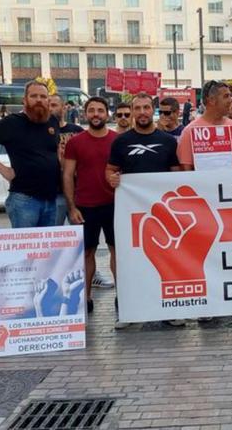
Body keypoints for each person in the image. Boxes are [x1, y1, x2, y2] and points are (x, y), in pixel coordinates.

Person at [106, 93, 182, 329]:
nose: (141, 112)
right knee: (131, 262)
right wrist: (112, 180)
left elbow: (176, 174)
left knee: (165, 261)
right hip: (132, 214)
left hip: (161, 213)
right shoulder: (121, 142)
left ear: (153, 110)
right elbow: (110, 171)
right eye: (137, 108)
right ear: (132, 111)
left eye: (146, 108)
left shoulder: (168, 141)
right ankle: (128, 311)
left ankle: (169, 310)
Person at [0, 80, 61, 227]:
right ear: (24, 100)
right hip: (25, 200)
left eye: (43, 96)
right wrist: (4, 170)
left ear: (48, 100)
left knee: (48, 249)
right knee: (25, 248)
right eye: (34, 96)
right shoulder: (11, 123)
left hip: (51, 199)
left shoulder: (52, 121)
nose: (39, 100)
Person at [63, 97, 118, 314]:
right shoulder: (75, 142)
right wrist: (72, 207)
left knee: (117, 252)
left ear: (107, 114)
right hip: (85, 206)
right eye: (92, 110)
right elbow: (67, 175)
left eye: (100, 110)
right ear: (85, 114)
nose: (96, 114)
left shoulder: (117, 140)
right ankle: (84, 299)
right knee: (87, 253)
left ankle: (122, 296)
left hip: (114, 204)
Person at [177, 80, 232, 170]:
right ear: (211, 100)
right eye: (226, 96)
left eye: (230, 96)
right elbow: (186, 171)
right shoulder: (189, 132)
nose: (231, 100)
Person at [49, 94, 84, 225]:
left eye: (54, 105)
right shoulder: (42, 132)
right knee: (53, 236)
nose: (50, 109)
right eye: (48, 105)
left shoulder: (77, 131)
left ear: (64, 108)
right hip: (54, 193)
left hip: (78, 193)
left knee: (81, 237)